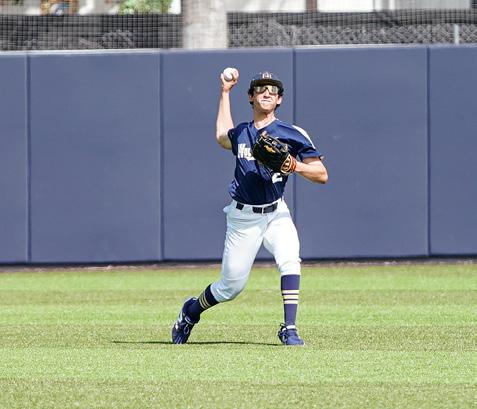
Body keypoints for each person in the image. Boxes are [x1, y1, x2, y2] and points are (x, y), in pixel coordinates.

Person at [172, 69, 328, 346]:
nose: (266, 92)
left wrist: (295, 165)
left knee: (290, 260)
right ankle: (191, 312)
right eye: (260, 88)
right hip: (243, 218)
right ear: (251, 97)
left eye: (273, 90)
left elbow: (321, 174)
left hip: (277, 212)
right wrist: (224, 92)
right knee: (230, 287)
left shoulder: (292, 133)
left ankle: (290, 328)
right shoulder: (243, 132)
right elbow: (222, 136)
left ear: (279, 99)